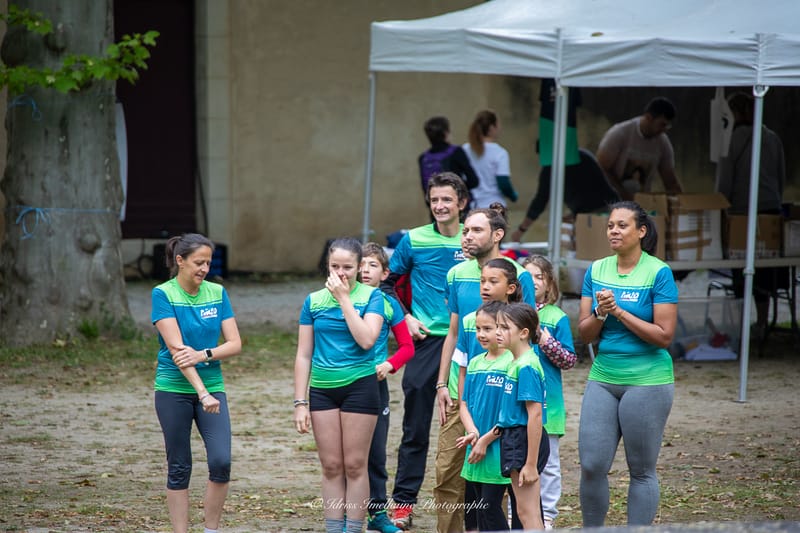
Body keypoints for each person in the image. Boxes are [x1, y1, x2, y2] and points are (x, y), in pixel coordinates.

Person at [434, 205, 536, 532]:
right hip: (463, 390)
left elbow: (527, 331)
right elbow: (454, 336)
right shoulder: (456, 275)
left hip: (504, 392)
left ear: (497, 235)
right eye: (465, 230)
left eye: (476, 230)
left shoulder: (518, 275)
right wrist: (441, 385)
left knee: (501, 480)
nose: (467, 236)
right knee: (449, 472)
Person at [577, 201, 678, 526]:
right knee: (592, 464)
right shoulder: (597, 270)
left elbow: (664, 336)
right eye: (610, 226)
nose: (614, 231)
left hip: (648, 381)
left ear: (641, 231)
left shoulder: (658, 272)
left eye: (622, 225)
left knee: (641, 469)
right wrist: (600, 313)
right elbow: (585, 334)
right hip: (604, 377)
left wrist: (619, 311)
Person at [380, 172, 470, 530]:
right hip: (427, 340)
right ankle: (403, 504)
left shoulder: (474, 235)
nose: (439, 206)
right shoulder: (413, 240)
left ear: (461, 203)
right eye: (434, 200)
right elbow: (385, 286)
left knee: (473, 422)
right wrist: (405, 318)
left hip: (472, 343)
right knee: (415, 427)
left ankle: (478, 504)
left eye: (446, 199)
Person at [151, 233, 242, 533]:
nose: (204, 268)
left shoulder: (217, 293)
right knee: (179, 466)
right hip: (173, 390)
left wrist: (204, 354)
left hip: (213, 385)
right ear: (180, 261)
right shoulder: (163, 294)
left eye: (208, 262)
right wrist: (201, 393)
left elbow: (235, 343)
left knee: (221, 462)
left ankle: (211, 530)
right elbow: (178, 353)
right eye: (198, 263)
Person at [294, 237, 385, 533]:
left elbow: (367, 339)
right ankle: (334, 528)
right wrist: (300, 402)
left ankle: (354, 528)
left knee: (355, 465)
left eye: (348, 267)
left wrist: (345, 299)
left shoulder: (372, 297)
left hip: (360, 386)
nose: (341, 273)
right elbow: (304, 354)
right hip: (322, 390)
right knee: (331, 466)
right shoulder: (313, 301)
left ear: (359, 267)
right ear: (327, 266)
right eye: (335, 266)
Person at [715, 91, 787, 338]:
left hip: (741, 213)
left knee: (740, 267)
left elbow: (725, 180)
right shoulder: (772, 137)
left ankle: (742, 326)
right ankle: (764, 320)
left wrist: (721, 207)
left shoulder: (732, 139)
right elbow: (781, 175)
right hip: (771, 209)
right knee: (766, 270)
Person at [360, 242, 415, 533]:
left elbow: (407, 347)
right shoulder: (343, 300)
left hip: (374, 386)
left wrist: (389, 365)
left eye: (372, 265)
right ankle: (346, 515)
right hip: (343, 384)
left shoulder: (389, 303)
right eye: (362, 264)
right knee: (348, 457)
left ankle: (378, 514)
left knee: (376, 454)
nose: (365, 270)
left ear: (385, 273)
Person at [521, 255, 577, 530]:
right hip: (515, 402)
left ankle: (548, 514)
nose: (532, 281)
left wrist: (543, 337)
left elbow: (568, 360)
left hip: (548, 405)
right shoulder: (510, 314)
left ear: (549, 284)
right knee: (517, 459)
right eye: (526, 275)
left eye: (538, 276)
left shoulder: (557, 317)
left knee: (549, 463)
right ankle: (517, 511)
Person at [457, 301, 514, 532]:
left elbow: (510, 414)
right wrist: (472, 432)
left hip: (497, 449)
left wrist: (486, 439)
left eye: (487, 329)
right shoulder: (474, 363)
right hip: (475, 446)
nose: (481, 334)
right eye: (478, 329)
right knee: (479, 510)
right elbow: (464, 404)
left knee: (490, 507)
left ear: (502, 328)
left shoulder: (512, 362)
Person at [494, 302, 549, 530]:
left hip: (522, 441)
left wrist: (530, 463)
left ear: (524, 333)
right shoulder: (516, 362)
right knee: (527, 511)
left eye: (504, 327)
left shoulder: (526, 365)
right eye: (497, 326)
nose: (498, 332)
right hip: (515, 438)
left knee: (527, 513)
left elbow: (535, 415)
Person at [595, 97, 683, 201]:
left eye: (667, 126)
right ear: (648, 118)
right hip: (611, 202)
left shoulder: (663, 143)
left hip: (641, 205)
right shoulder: (620, 133)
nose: (664, 130)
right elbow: (600, 169)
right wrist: (623, 194)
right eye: (662, 124)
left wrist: (682, 204)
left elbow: (670, 181)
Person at [419, 116, 480, 212]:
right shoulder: (456, 152)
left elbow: (425, 189)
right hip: (458, 207)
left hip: (437, 210)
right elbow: (474, 180)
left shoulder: (423, 158)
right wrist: (458, 189)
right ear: (446, 133)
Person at [462, 109, 518, 208]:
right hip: (494, 206)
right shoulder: (500, 153)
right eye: (498, 124)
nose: (500, 128)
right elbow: (503, 182)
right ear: (492, 128)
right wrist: (513, 195)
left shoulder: (465, 149)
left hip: (472, 206)